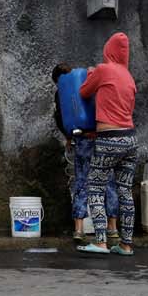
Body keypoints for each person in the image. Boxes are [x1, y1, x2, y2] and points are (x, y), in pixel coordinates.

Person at [76, 33, 138, 256]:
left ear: (108, 49)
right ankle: (126, 244)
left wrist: (92, 74)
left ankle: (101, 241)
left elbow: (84, 91)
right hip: (130, 139)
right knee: (125, 192)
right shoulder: (129, 76)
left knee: (95, 187)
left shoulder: (103, 70)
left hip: (109, 139)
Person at [52, 64, 118, 246]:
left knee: (82, 182)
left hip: (82, 140)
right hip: (102, 137)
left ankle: (79, 229)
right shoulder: (87, 79)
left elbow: (59, 117)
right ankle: (112, 228)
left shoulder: (61, 92)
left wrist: (67, 136)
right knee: (109, 181)